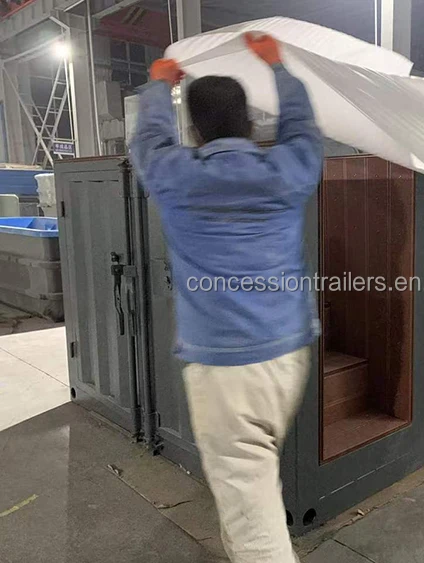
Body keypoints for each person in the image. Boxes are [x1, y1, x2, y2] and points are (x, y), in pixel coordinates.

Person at [130, 34, 323, 562]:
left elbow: (148, 139)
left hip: (226, 371)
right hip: (288, 355)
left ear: (193, 130)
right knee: (253, 487)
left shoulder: (176, 177)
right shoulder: (287, 171)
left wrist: (159, 85)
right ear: (251, 123)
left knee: (250, 512)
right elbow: (303, 127)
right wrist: (278, 67)